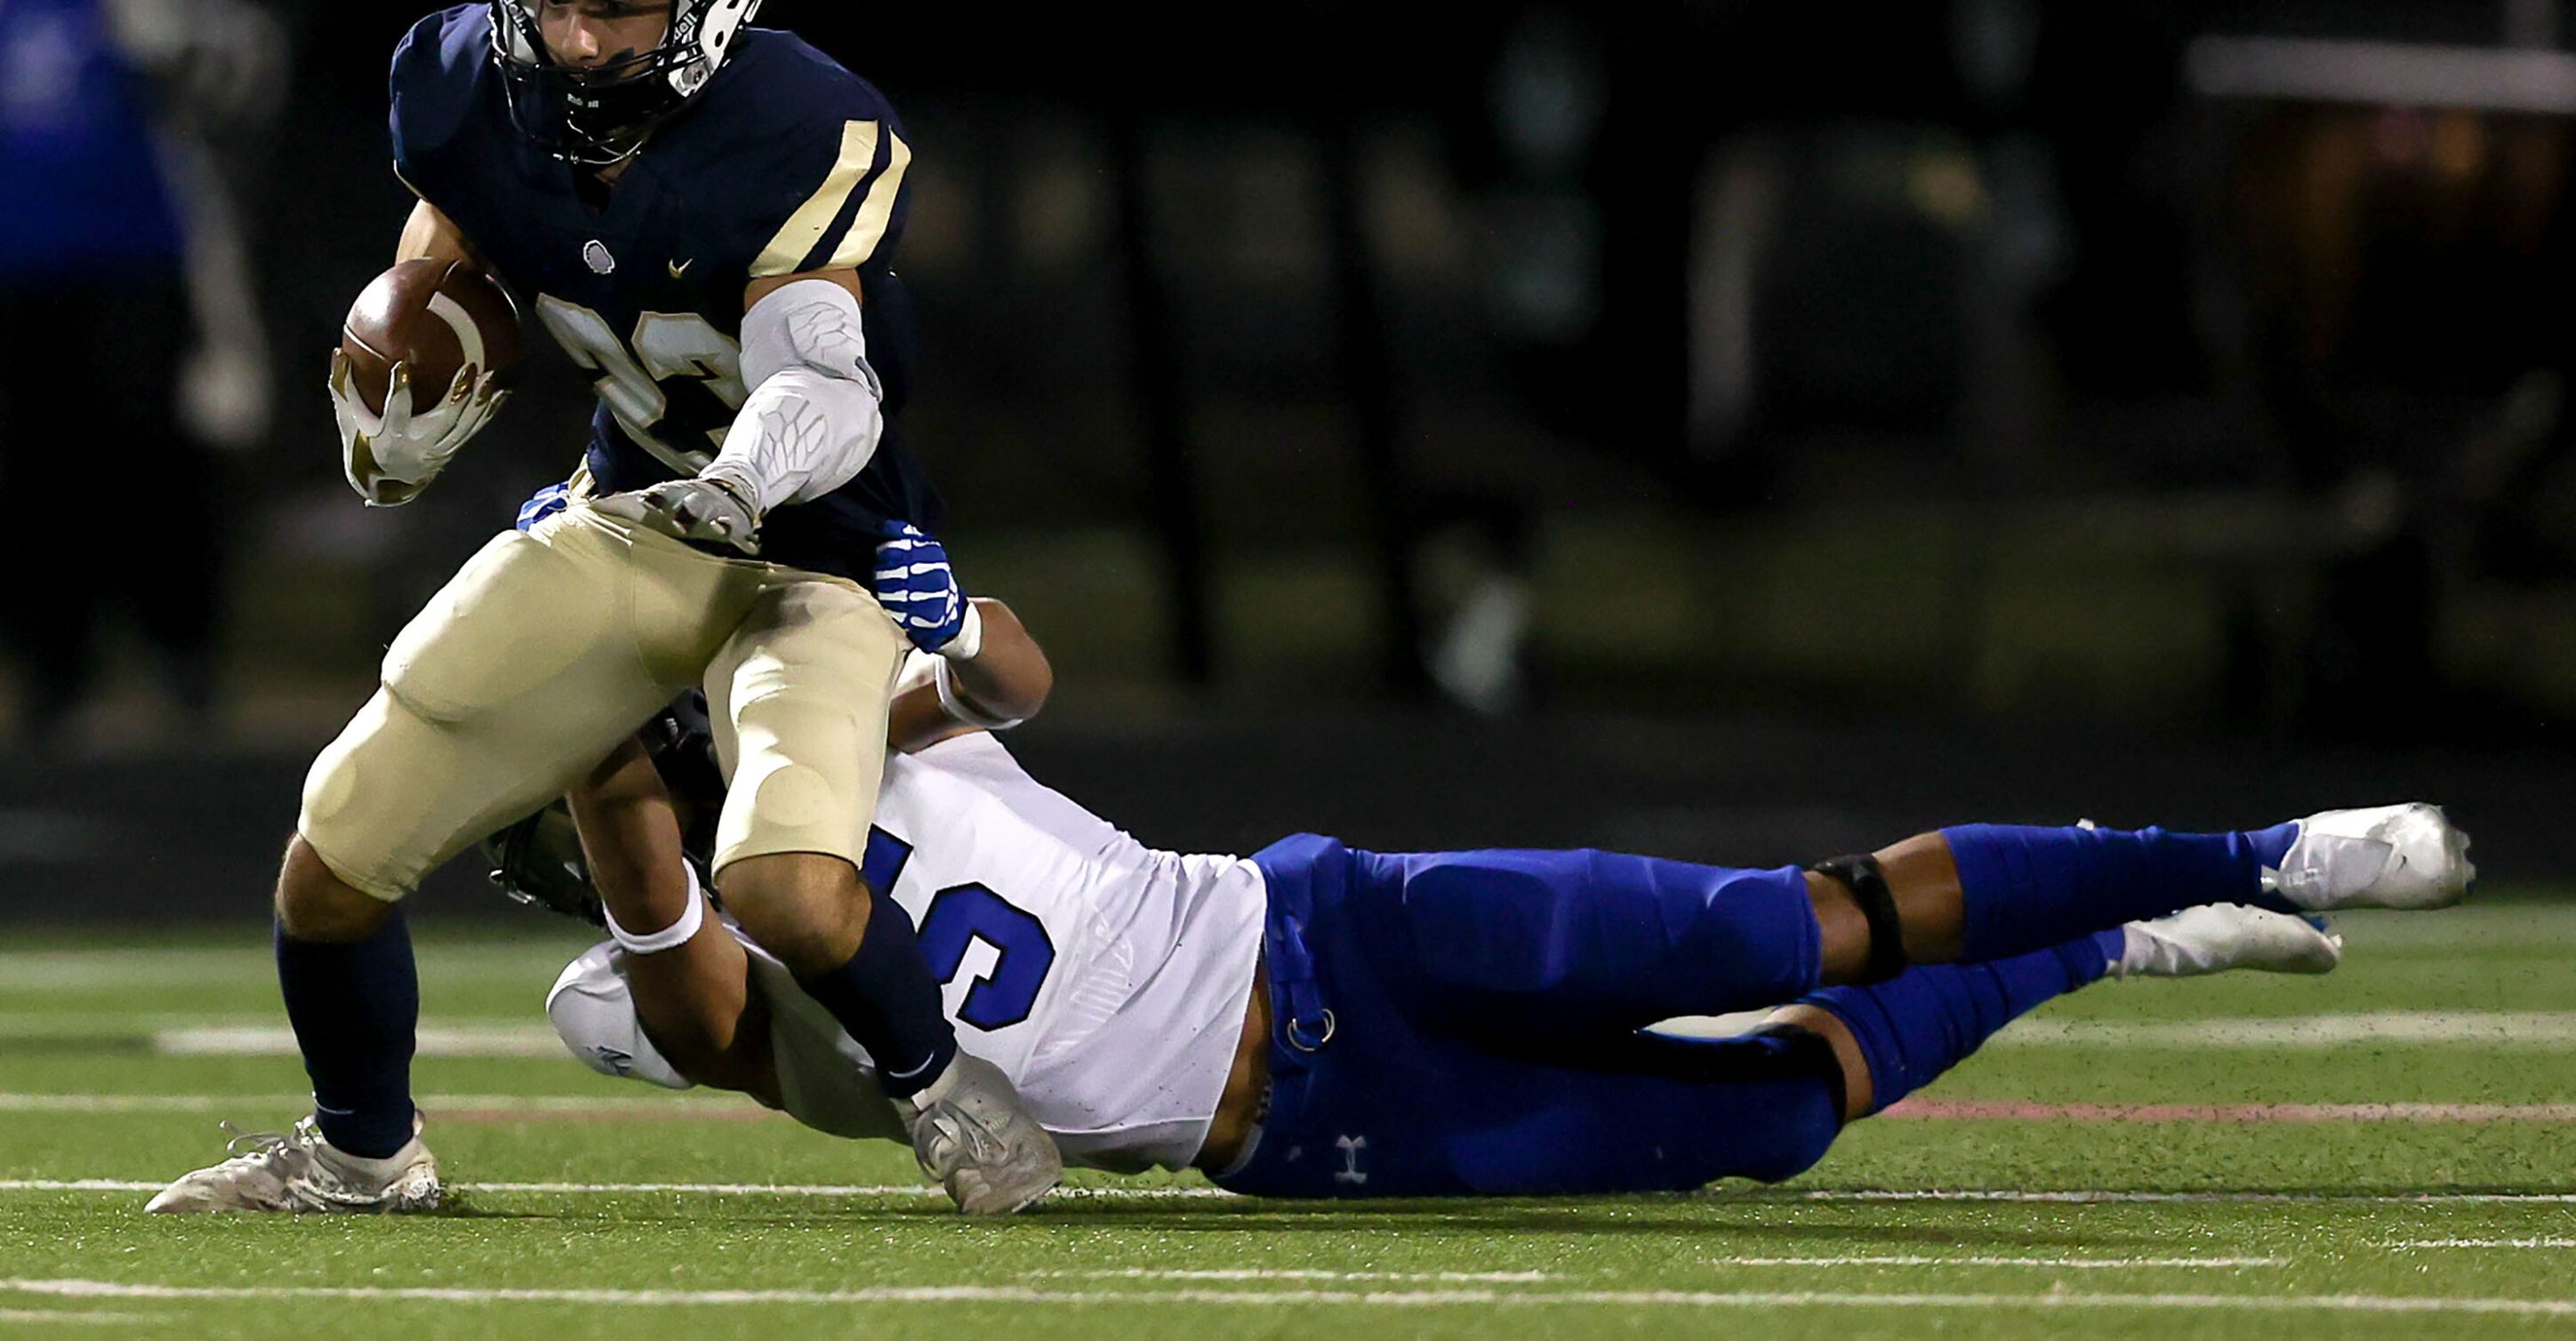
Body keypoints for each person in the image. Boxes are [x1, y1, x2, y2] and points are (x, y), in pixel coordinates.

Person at [350, 529, 2470, 1200]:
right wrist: (621, 782)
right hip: (1297, 1123)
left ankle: (2237, 842)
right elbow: (708, 993)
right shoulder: (658, 984)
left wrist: (889, 577)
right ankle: (2110, 944)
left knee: (1781, 917)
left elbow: (1002, 662)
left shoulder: (804, 724)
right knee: (1774, 1108)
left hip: (1321, 916)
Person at [148, 0, 1055, 1219]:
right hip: (632, 514)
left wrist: (745, 475)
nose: (575, 39)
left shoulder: (803, 122)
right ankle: (364, 1152)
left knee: (787, 888)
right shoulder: (458, 83)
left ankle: (943, 1088)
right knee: (340, 838)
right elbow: (448, 253)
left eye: (621, 4)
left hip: (813, 543)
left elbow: (827, 378)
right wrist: (405, 373)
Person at [0, 0, 277, 739]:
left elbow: (249, 77)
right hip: (20, 284)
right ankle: (53, 674)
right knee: (34, 481)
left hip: (137, 274)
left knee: (151, 467)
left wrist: (173, 49)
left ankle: (183, 658)